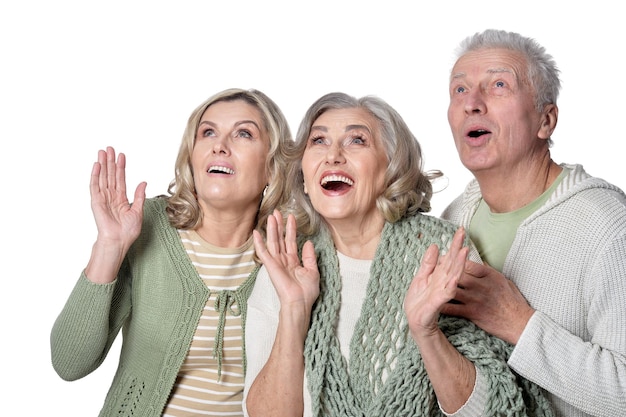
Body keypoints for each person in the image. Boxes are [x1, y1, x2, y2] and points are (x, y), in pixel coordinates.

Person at [242, 92, 554, 417]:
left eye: (356, 141)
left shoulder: (441, 254)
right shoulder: (284, 267)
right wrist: (294, 310)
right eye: (318, 141)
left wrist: (426, 332)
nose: (333, 155)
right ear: (304, 176)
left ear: (390, 168)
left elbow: (492, 408)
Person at [50, 88, 293, 417]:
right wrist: (110, 245)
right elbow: (70, 363)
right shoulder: (145, 227)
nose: (219, 146)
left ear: (272, 168)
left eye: (244, 134)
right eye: (208, 132)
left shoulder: (292, 253)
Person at [440, 29, 626, 417]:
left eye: (498, 85)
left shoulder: (608, 226)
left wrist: (518, 323)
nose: (472, 103)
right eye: (459, 90)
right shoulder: (452, 219)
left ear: (546, 120)